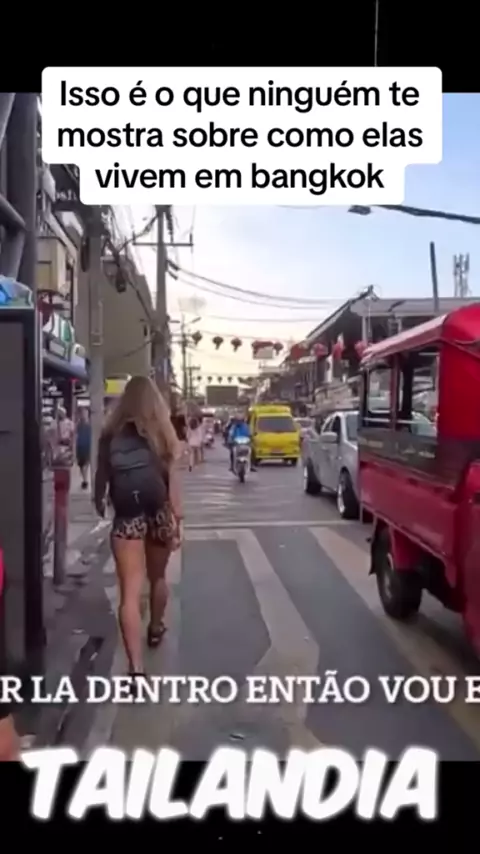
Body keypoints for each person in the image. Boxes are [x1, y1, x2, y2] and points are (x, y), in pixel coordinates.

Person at [94, 376, 183, 680]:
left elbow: (101, 481)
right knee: (158, 578)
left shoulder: (109, 434)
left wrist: (102, 503)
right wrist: (177, 519)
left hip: (127, 514)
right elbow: (172, 482)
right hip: (158, 511)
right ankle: (156, 628)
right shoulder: (162, 432)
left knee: (129, 595)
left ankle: (136, 670)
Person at [75, 407, 91, 490]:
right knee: (81, 465)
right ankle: (84, 479)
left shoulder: (90, 425)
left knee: (86, 464)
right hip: (80, 446)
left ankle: (85, 481)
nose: (83, 415)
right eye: (82, 413)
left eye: (85, 413)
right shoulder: (78, 425)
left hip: (87, 446)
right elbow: (76, 436)